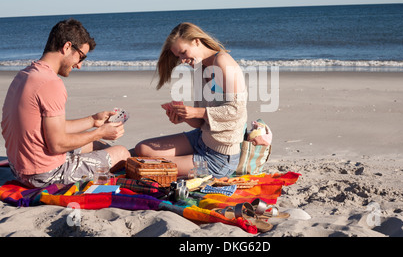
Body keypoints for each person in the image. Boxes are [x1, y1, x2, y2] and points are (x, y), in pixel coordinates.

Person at [1, 19, 130, 188]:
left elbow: (50, 128)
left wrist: (93, 121)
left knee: (97, 146)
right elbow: (57, 144)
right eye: (81, 57)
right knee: (122, 153)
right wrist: (99, 132)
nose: (80, 65)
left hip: (20, 168)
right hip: (44, 175)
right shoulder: (50, 83)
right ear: (67, 47)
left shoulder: (25, 75)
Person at [135, 22, 247, 178]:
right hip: (201, 138)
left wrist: (196, 112)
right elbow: (201, 122)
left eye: (183, 52)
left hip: (219, 157)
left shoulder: (222, 61)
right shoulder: (199, 69)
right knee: (142, 149)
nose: (182, 60)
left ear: (196, 41)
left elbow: (237, 112)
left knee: (146, 168)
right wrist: (185, 117)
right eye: (178, 56)